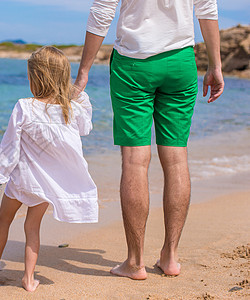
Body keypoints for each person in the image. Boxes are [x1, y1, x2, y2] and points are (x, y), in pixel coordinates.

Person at [74, 0, 224, 280]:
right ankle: (170, 257)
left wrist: (83, 72)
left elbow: (102, 11)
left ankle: (135, 261)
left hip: (133, 64)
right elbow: (207, 9)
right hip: (180, 63)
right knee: (177, 159)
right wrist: (215, 64)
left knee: (135, 161)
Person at [0, 46, 98, 291]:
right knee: (32, 228)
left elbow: (9, 147)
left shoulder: (24, 106)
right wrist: (80, 96)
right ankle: (28, 278)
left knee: (3, 222)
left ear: (36, 78)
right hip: (45, 184)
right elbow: (86, 127)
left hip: (21, 180)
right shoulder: (70, 109)